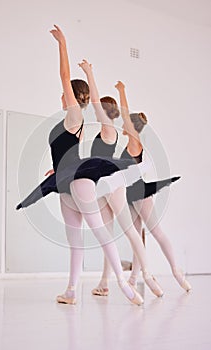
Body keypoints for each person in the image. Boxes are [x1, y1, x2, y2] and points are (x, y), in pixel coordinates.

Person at [17, 25, 151, 305]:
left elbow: (64, 76)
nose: (62, 93)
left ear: (71, 96)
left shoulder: (74, 114)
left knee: (101, 232)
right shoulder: (69, 121)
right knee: (75, 240)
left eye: (65, 91)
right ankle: (71, 291)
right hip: (65, 182)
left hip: (78, 182)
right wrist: (57, 169)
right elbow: (66, 152)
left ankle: (123, 286)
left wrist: (62, 43)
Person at [91, 80, 191, 296]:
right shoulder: (127, 146)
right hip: (130, 196)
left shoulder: (136, 142)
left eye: (127, 123)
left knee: (156, 232)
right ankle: (136, 277)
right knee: (138, 236)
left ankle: (177, 272)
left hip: (142, 195)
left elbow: (126, 116)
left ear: (132, 127)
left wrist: (122, 91)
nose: (123, 124)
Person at [79, 59, 164, 299]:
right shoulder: (106, 131)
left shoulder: (108, 128)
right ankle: (105, 282)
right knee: (107, 235)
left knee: (131, 232)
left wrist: (89, 73)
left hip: (112, 187)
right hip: (104, 187)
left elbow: (96, 101)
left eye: (100, 109)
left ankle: (145, 275)